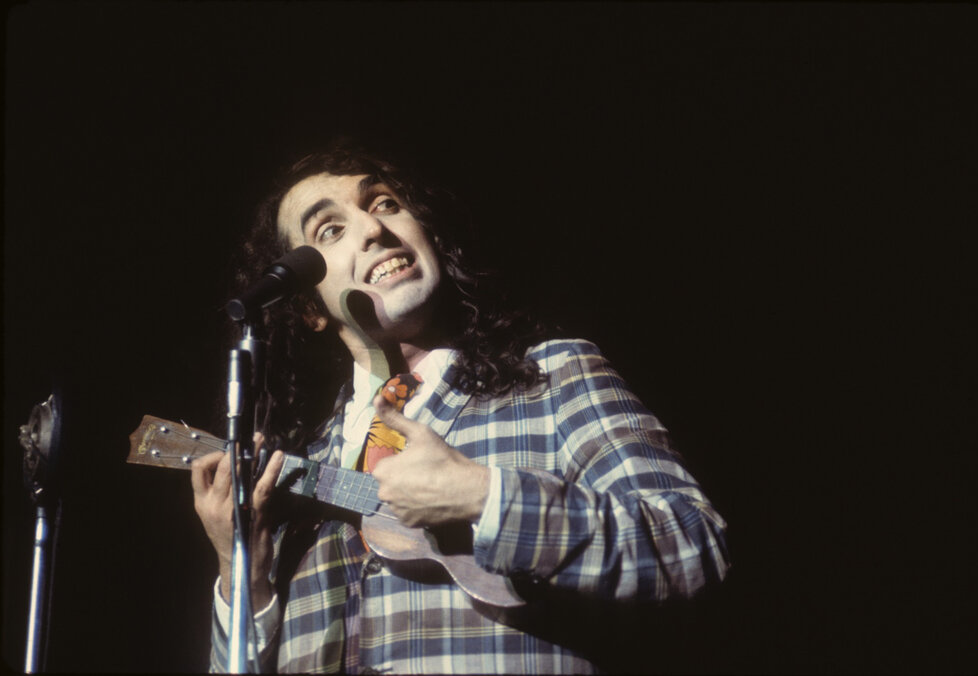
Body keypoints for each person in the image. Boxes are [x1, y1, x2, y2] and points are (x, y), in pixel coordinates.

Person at [191, 139, 730, 674]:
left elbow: (692, 544)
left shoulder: (553, 376)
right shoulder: (294, 479)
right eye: (330, 231)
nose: (373, 228)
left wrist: (482, 496)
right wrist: (244, 575)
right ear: (309, 308)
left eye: (385, 203)